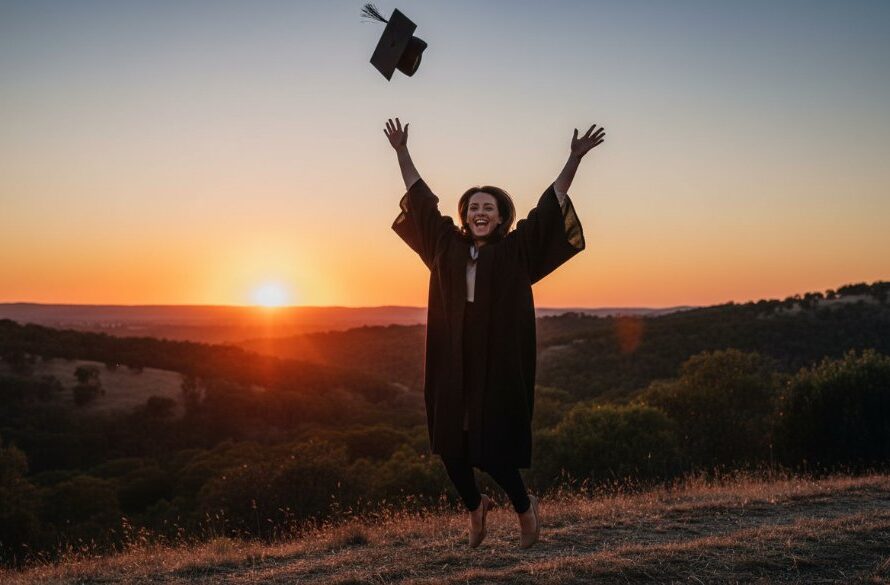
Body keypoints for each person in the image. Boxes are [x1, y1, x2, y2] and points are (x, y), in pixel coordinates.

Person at [385, 117, 605, 548]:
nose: (479, 212)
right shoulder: (444, 245)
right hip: (452, 358)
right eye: (473, 206)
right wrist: (401, 152)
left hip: (497, 359)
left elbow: (550, 207)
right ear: (465, 215)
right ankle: (475, 506)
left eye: (489, 207)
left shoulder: (514, 252)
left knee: (491, 449)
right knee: (450, 445)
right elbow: (422, 202)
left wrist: (574, 158)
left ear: (501, 216)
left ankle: (525, 508)